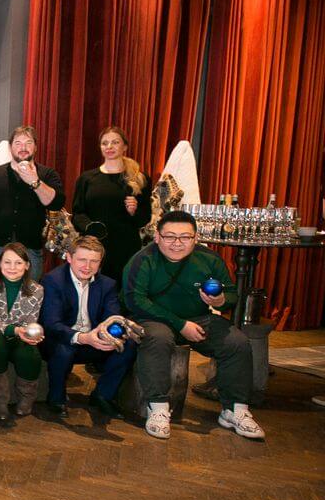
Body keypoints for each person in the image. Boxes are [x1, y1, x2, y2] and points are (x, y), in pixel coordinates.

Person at [121, 210, 265, 441]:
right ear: (157, 237)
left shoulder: (209, 259)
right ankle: (157, 408)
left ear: (196, 238)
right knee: (157, 338)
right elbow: (134, 300)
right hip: (154, 318)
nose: (177, 243)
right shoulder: (142, 260)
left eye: (185, 237)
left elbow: (231, 294)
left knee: (236, 342)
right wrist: (180, 325)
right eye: (170, 236)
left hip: (198, 318)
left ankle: (234, 410)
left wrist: (220, 301)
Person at [39, 236, 135, 419]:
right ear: (69, 258)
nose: (87, 266)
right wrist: (83, 338)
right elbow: (52, 324)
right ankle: (56, 398)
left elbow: (113, 318)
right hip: (62, 339)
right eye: (82, 260)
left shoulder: (107, 284)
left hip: (95, 339)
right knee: (64, 349)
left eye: (94, 261)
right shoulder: (53, 280)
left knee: (128, 345)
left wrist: (107, 335)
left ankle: (103, 396)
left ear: (100, 262)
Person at [0, 125, 65, 277]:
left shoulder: (47, 174)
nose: (23, 148)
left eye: (28, 143)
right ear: (10, 147)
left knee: (31, 291)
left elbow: (56, 203)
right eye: (18, 143)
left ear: (35, 147)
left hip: (31, 251)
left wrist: (35, 182)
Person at [71, 127, 153, 281]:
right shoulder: (86, 178)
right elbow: (77, 214)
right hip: (93, 247)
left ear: (125, 146)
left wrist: (134, 211)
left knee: (122, 290)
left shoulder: (140, 178)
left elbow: (144, 218)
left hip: (126, 248)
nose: (109, 147)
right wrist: (91, 229)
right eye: (105, 143)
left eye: (115, 142)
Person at [0, 243, 45, 425]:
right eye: (7, 262)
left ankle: (26, 398)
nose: (12, 267)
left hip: (21, 335)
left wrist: (30, 333)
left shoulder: (37, 290)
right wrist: (14, 329)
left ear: (27, 265)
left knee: (30, 353)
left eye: (18, 263)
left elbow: (30, 322)